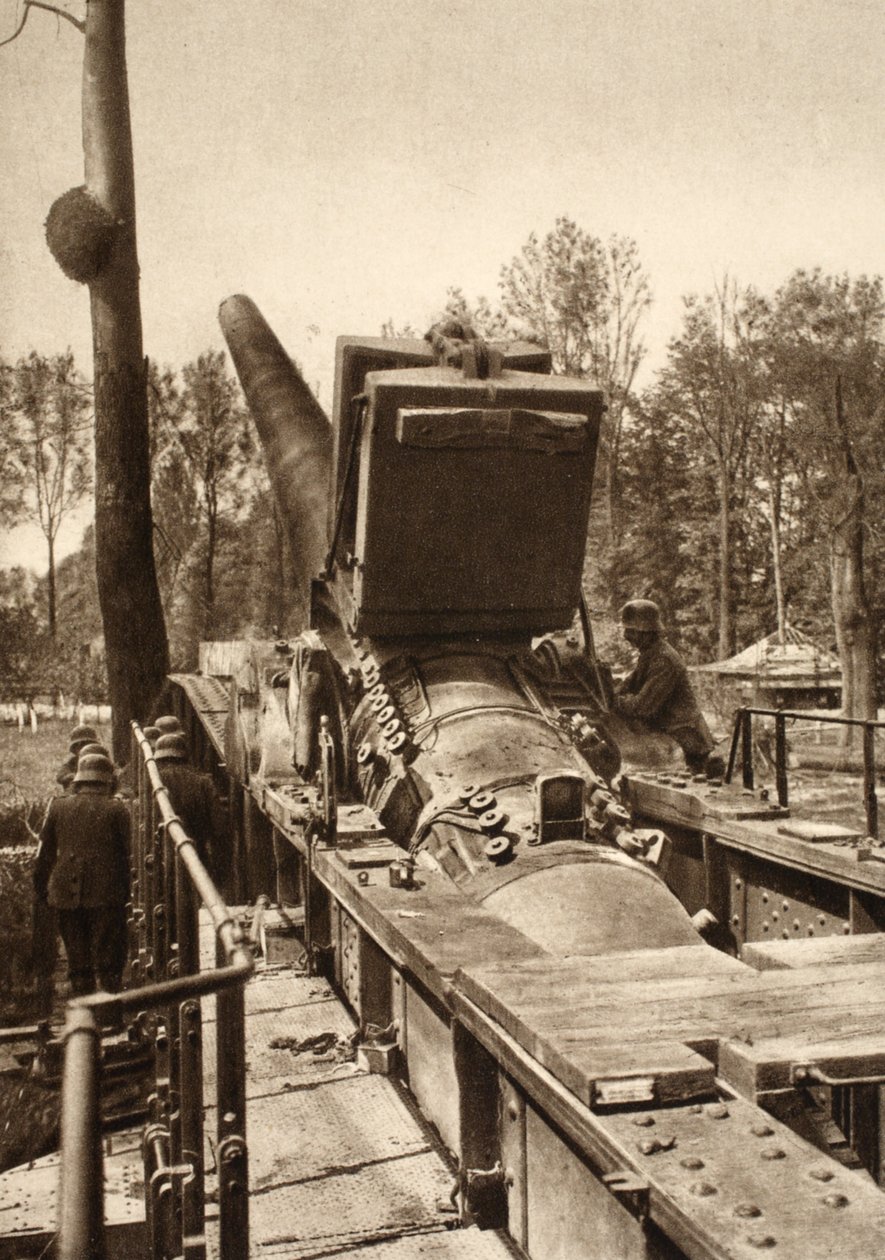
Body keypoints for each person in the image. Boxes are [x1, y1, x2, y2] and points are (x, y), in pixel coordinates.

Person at [33, 753, 131, 996]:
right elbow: (131, 855)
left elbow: (45, 855)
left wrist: (42, 888)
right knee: (110, 961)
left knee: (78, 962)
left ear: (79, 780)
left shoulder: (58, 806)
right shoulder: (116, 809)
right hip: (107, 895)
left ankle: (84, 1015)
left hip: (66, 894)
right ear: (107, 781)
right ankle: (110, 1016)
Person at [613, 599, 722, 777]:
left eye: (631, 631)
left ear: (645, 632)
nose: (627, 636)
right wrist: (611, 690)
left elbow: (642, 707)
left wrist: (613, 700)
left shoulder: (663, 660)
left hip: (687, 745)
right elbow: (628, 685)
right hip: (671, 740)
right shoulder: (650, 654)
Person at [154, 733, 220, 877]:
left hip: (159, 859)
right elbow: (218, 825)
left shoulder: (153, 781)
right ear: (184, 756)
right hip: (197, 855)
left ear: (158, 758)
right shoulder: (204, 782)